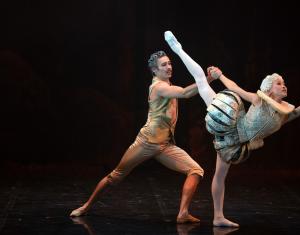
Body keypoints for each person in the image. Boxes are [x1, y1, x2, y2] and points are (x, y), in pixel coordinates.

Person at [164, 31, 300, 227]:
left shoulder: (283, 114)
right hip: (229, 122)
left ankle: (218, 217)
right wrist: (220, 76)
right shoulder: (259, 100)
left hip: (237, 145)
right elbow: (236, 88)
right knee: (202, 81)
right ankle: (178, 48)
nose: (284, 86)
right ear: (270, 89)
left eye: (284, 83)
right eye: (279, 83)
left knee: (220, 175)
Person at [70, 50, 214, 224]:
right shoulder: (158, 87)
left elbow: (183, 93)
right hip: (146, 142)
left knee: (196, 171)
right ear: (155, 70)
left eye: (169, 63)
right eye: (164, 65)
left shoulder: (167, 85)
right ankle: (86, 206)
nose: (169, 67)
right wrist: (208, 79)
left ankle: (183, 213)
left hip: (164, 145)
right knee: (115, 177)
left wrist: (207, 80)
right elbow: (185, 93)